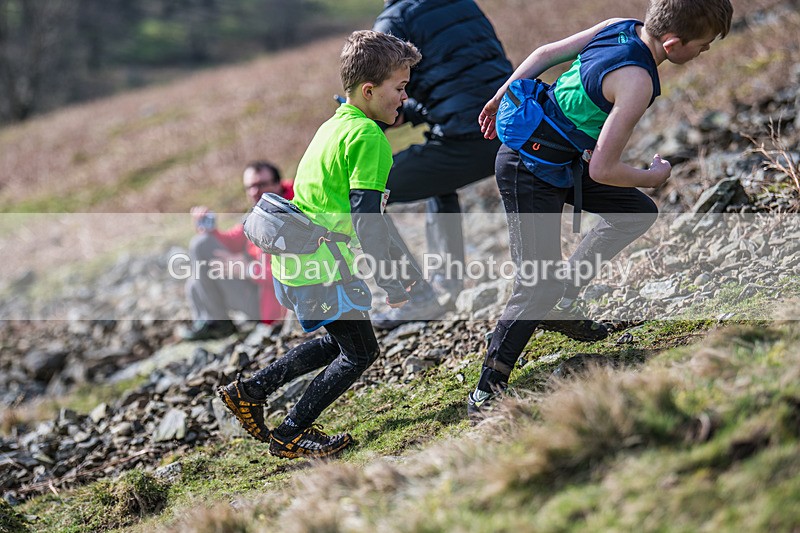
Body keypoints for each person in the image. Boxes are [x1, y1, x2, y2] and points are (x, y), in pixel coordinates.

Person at [467, 0, 733, 417]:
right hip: (528, 167)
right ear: (675, 42)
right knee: (537, 282)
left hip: (562, 163)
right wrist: (653, 176)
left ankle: (564, 301)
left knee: (636, 213)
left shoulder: (619, 25)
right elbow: (605, 168)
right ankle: (487, 390)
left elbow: (540, 56)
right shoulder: (636, 82)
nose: (706, 51)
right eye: (703, 45)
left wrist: (501, 94)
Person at [217, 30, 422, 459]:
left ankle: (250, 390)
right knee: (361, 352)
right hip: (323, 265)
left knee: (340, 340)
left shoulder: (334, 125)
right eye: (400, 88)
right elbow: (368, 218)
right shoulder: (368, 138)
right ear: (369, 90)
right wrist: (394, 281)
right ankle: (290, 432)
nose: (405, 97)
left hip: (297, 263)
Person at [369, 0, 514, 330]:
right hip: (512, 127)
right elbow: (466, 80)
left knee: (361, 193)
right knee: (434, 162)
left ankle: (416, 298)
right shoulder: (463, 2)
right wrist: (417, 110)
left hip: (468, 139)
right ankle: (446, 284)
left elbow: (377, 99)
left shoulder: (394, 19)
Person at [180, 161, 293, 341]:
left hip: (274, 305)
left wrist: (247, 269)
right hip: (258, 291)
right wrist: (210, 229)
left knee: (200, 252)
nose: (255, 192)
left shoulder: (292, 213)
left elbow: (293, 276)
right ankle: (213, 322)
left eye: (261, 185)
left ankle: (218, 323)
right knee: (198, 265)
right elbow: (233, 240)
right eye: (250, 187)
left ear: (278, 183)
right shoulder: (261, 209)